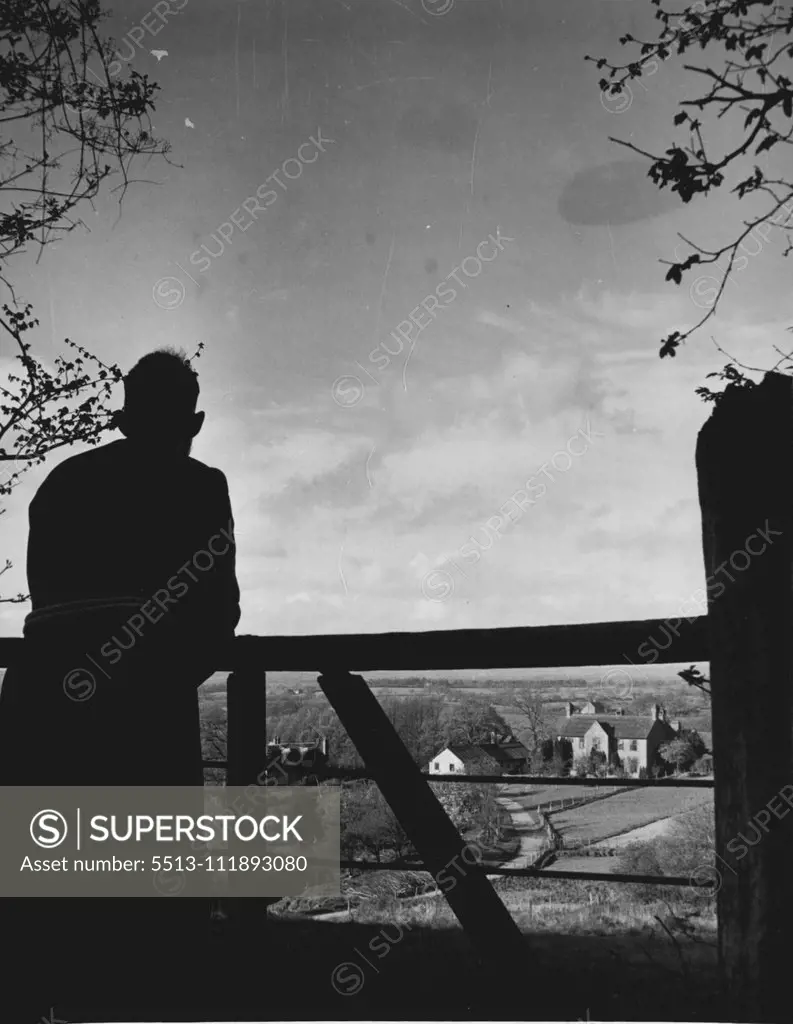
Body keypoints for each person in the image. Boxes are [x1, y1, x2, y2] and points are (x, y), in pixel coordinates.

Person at [0, 348, 241, 1012]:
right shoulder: (199, 485)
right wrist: (160, 680)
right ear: (193, 423)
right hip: (140, 708)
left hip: (37, 701)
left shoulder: (60, 482)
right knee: (147, 929)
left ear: (123, 414)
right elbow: (218, 612)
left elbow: (45, 606)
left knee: (42, 916)